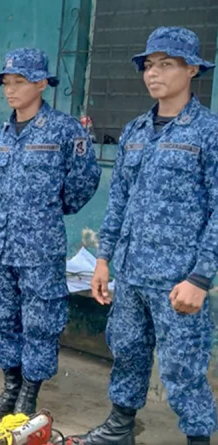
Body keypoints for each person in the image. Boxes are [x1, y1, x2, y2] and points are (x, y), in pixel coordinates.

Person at [70, 27, 218, 445]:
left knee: (182, 368)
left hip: (179, 278)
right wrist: (103, 259)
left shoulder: (208, 131)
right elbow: (118, 201)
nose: (154, 73)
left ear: (191, 69)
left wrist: (201, 277)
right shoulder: (135, 130)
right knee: (128, 352)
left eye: (166, 64)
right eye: (148, 65)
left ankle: (198, 440)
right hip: (132, 273)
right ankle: (120, 427)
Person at [0, 48, 101, 421]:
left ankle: (29, 394)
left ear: (42, 83)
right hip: (1, 244)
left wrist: (48, 210)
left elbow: (83, 181)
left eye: (20, 82)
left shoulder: (64, 130)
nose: (10, 90)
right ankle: (9, 388)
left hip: (41, 246)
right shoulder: (1, 132)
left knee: (40, 322)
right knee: (1, 317)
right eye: (6, 83)